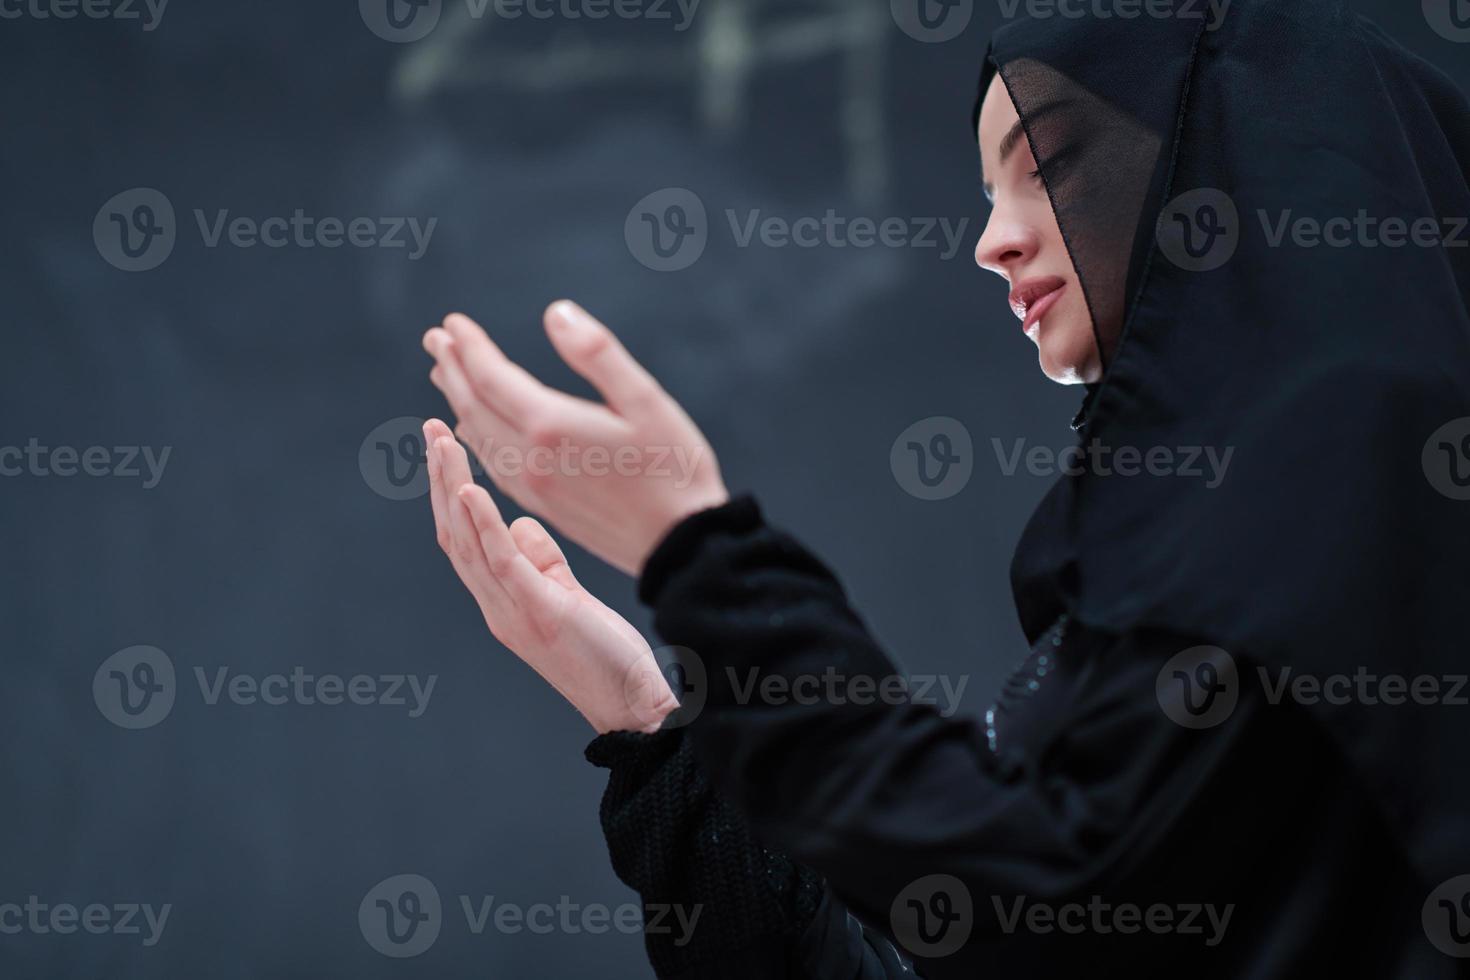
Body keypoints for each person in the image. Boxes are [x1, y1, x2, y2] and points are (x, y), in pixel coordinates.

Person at [417, 0, 1470, 975]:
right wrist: (648, 721)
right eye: (985, 191)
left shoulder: (1345, 450)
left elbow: (1051, 897)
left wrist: (700, 549)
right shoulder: (1185, 531)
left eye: (1047, 163)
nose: (992, 239)